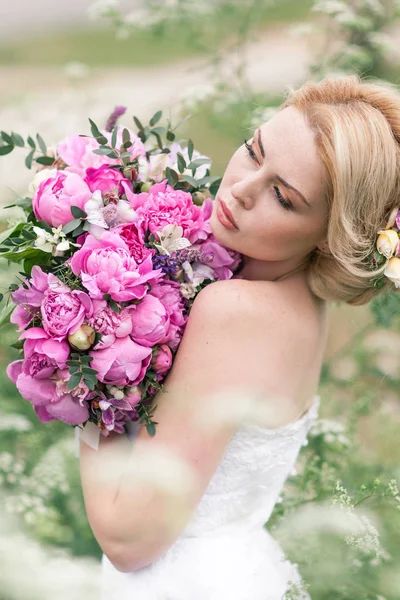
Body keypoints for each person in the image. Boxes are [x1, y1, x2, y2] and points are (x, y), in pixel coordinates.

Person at [79, 74, 400, 599]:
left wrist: (87, 376)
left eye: (283, 196)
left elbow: (127, 537)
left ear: (330, 234)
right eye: (254, 151)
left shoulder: (235, 311)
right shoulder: (298, 306)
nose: (242, 190)